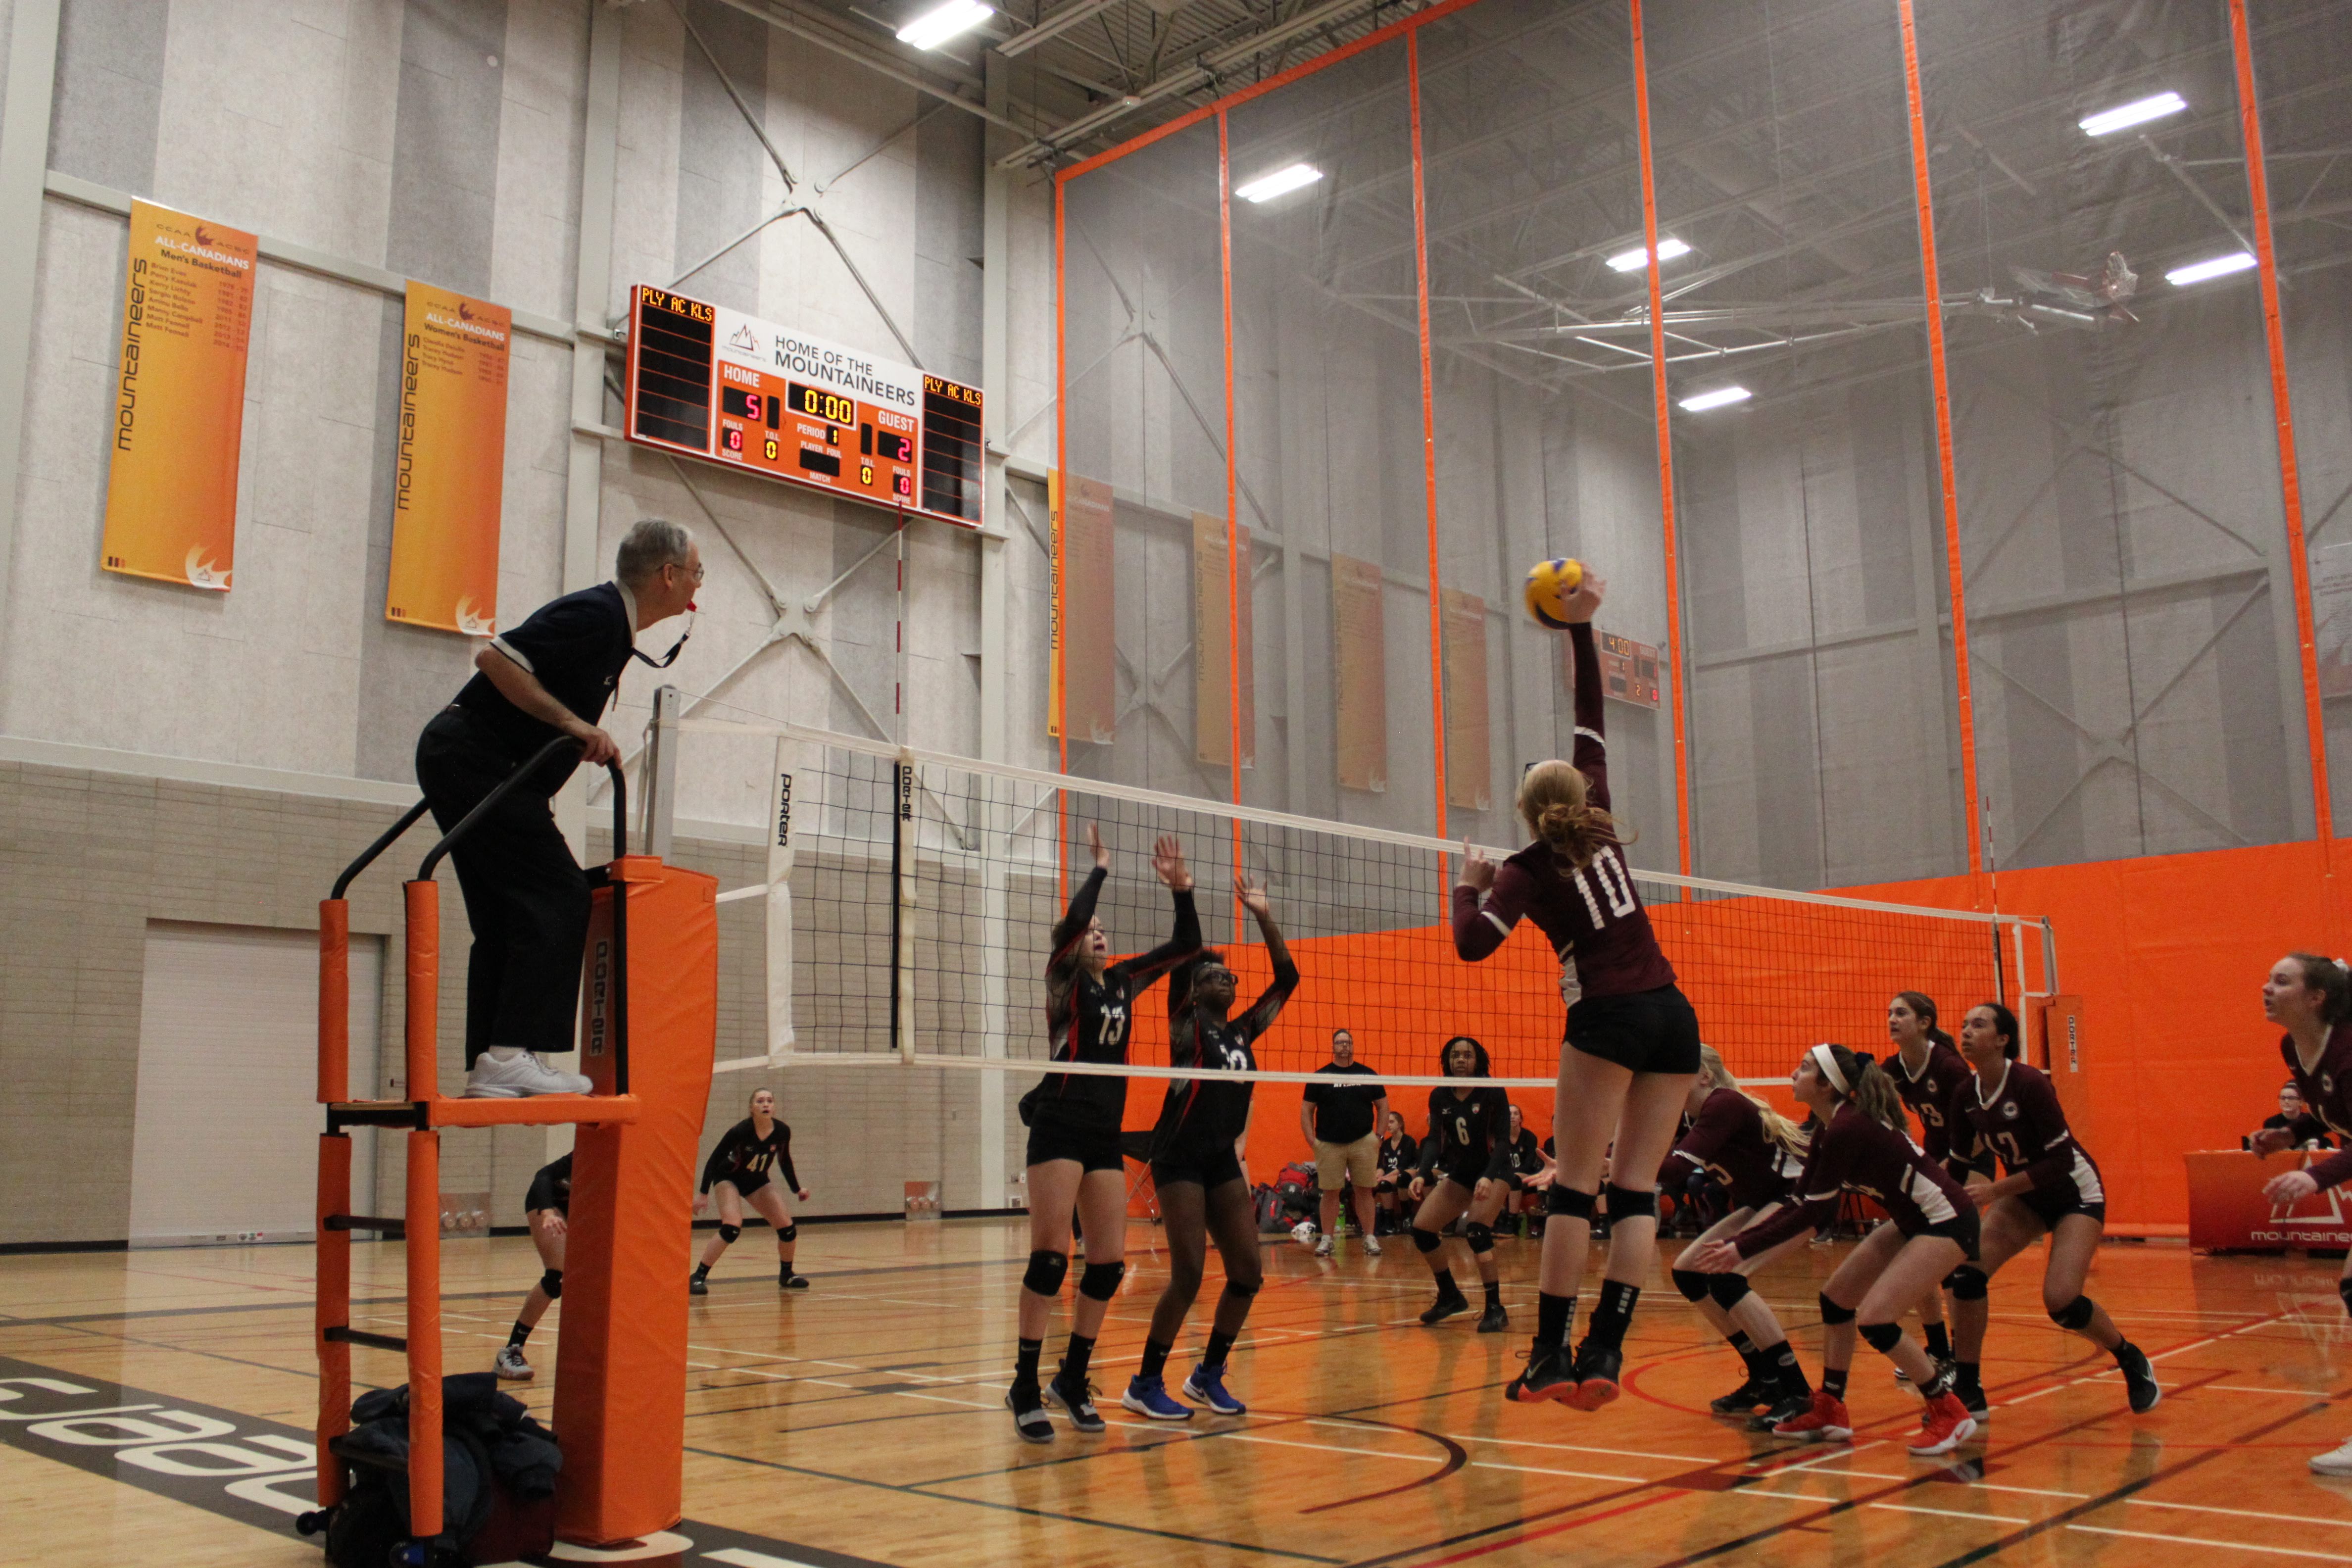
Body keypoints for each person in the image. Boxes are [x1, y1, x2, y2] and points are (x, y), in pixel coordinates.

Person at [1455, 570, 1703, 1409]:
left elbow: (1473, 947)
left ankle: (1550, 1355)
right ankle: (1604, 1352)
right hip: (1674, 1016)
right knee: (1634, 1191)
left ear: (1527, 813)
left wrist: (1467, 887)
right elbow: (1589, 712)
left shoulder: (1523, 869)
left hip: (1607, 1017)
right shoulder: (1597, 812)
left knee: (1572, 1187)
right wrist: (1581, 626)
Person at [416, 518, 702, 1099]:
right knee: (561, 895)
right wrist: (575, 724)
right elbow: (495, 660)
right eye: (698, 572)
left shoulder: (613, 628)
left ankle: (494, 1062)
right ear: (669, 575)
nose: (701, 584)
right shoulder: (597, 614)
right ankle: (509, 1055)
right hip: (477, 761)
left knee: (505, 916)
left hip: (472, 762)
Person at [1683, 1043, 1981, 1458]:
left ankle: (1949, 1410)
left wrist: (1741, 1248)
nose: (1794, 1073)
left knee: (1877, 1320)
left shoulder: (1848, 1127)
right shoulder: (1829, 1127)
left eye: (1804, 1068)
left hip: (1947, 1220)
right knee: (1836, 1300)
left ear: (1827, 1085)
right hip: (1912, 1220)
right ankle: (1831, 1408)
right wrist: (1740, 1245)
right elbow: (1800, 1202)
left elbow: (1812, 1212)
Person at [1008, 828, 1198, 1444]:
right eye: (1090, 930)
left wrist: (1182, 890)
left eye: (1102, 930)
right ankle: (1024, 1385)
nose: (1098, 934)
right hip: (1059, 1127)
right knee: (1049, 1261)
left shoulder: (1123, 981)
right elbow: (1072, 924)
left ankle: (1072, 1379)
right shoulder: (1063, 983)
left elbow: (1187, 947)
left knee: (1109, 1266)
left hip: (1102, 1134)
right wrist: (1101, 869)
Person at [1125, 875, 1299, 1421]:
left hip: (1220, 1157)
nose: (1225, 979)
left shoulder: (1244, 1031)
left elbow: (1288, 979)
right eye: (1212, 975)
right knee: (1189, 1275)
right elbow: (1187, 955)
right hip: (1178, 1155)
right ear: (1196, 990)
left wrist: (1264, 916)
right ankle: (1144, 1383)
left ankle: (1206, 1376)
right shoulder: (1187, 1028)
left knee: (1247, 1273)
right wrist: (1184, 894)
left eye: (1229, 976)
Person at [1942, 1001, 2156, 1423]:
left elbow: (2060, 1163)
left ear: (2003, 1040)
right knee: (1966, 1275)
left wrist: (1993, 1191)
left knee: (2061, 1302)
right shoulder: (1965, 1095)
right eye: (1964, 1024)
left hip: (2074, 1194)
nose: (1966, 1031)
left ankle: (2128, 1356)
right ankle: (1969, 1388)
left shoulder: (2029, 1084)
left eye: (1978, 1025)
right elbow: (1958, 1165)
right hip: (2026, 1196)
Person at [1666, 1046, 1815, 1429]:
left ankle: (1797, 1391)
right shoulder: (1687, 1115)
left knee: (1727, 1276)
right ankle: (1764, 1377)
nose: (1666, 1077)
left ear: (1704, 1076)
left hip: (1800, 1198)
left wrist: (1613, 1167)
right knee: (1689, 1272)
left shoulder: (1723, 1103)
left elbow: (1675, 1171)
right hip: (1765, 1200)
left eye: (1678, 1069)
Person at [2250, 954, 2352, 1473]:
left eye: (2282, 981)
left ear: (2316, 998)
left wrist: (2315, 1177)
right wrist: (2291, 1134)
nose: (2267, 988)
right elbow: (2331, 1111)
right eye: (2269, 979)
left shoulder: (2349, 1051)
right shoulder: (2294, 1046)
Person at [1879, 991, 1986, 1382]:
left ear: (1924, 1023)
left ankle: (1959, 1356)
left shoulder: (1949, 1067)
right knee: (1916, 1249)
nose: (1892, 1019)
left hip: (1973, 1157)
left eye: (1901, 1013)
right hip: (1935, 1159)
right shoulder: (1894, 1068)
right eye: (1890, 1013)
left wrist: (1950, 1169)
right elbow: (1867, 1098)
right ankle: (1938, 1349)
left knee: (1952, 1260)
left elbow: (1981, 1130)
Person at [1406, 1036, 1515, 1333]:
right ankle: (1450, 1296)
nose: (1461, 1060)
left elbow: (1503, 1141)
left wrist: (1488, 1176)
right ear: (1448, 1061)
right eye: (1455, 1055)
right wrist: (1422, 1173)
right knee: (1422, 1229)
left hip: (1496, 1170)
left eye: (1467, 1055)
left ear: (1478, 1060)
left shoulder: (1492, 1091)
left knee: (1477, 1230)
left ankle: (1495, 1307)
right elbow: (1434, 1139)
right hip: (1463, 1172)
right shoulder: (1441, 1095)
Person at [689, 1088, 811, 1294]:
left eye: (769, 1101)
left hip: (756, 1180)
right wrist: (703, 1194)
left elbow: (785, 1161)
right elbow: (713, 1160)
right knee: (732, 1227)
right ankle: (698, 1276)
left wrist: (797, 1189)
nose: (766, 1104)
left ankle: (787, 1275)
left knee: (787, 1229)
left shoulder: (782, 1131)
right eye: (760, 1101)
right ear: (751, 1108)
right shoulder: (740, 1131)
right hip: (729, 1177)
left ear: (774, 1107)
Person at [1300, 1029, 1386, 1256]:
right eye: (1339, 1042)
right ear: (1333, 1047)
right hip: (1329, 1143)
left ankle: (1370, 1238)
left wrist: (1379, 1137)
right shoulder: (1321, 1076)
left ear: (1353, 1046)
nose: (1344, 1046)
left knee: (1364, 1191)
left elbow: (1383, 1106)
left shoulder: (1367, 1074)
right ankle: (1327, 1239)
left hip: (1363, 1141)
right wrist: (1312, 1140)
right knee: (1330, 1192)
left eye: (1348, 1042)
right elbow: (1307, 1110)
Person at [494, 1153, 572, 1380]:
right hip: (550, 1202)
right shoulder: (593, 1151)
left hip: (584, 1205)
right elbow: (544, 1176)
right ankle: (512, 1350)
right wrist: (547, 1212)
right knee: (557, 1275)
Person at [1498, 1104, 1549, 1237]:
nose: (1512, 1117)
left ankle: (1512, 1221)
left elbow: (1528, 1165)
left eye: (1516, 1114)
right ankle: (1499, 1220)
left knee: (1514, 1179)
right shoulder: (1501, 1138)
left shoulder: (1529, 1137)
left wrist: (1512, 1173)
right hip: (1507, 1176)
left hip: (1527, 1175)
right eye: (1509, 1114)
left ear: (1521, 1118)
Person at [2249, 1081, 2329, 1150]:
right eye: (2283, 1098)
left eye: (2291, 1098)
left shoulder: (2311, 1122)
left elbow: (2321, 1146)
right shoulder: (2271, 1123)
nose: (2286, 1101)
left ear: (2301, 1102)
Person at [1374, 1111, 1418, 1235]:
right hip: (1388, 1176)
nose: (1388, 1125)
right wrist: (1379, 1174)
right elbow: (1381, 1165)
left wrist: (1385, 1177)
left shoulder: (1409, 1142)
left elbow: (1402, 1167)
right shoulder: (1386, 1144)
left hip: (1404, 1173)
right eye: (1387, 1122)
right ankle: (1388, 1220)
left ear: (1400, 1124)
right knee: (1380, 1183)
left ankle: (1406, 1216)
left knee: (1393, 1180)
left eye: (1392, 1122)